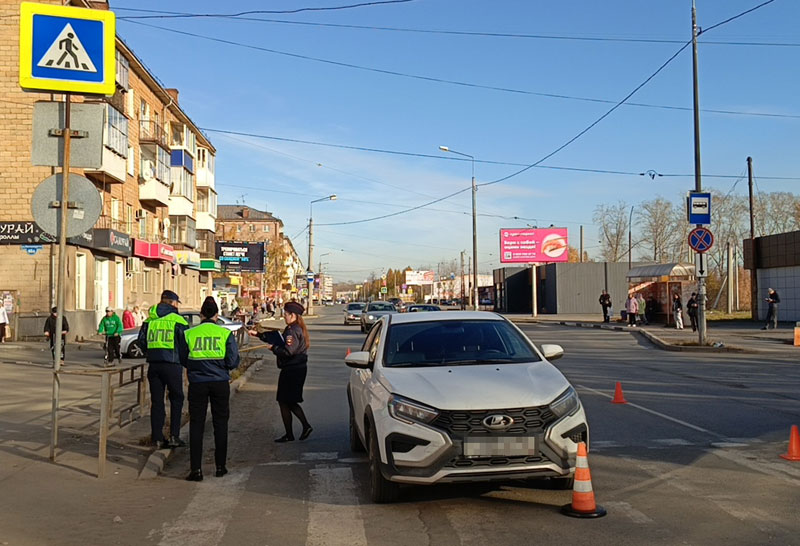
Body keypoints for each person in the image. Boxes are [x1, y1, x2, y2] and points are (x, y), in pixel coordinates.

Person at [181, 297, 240, 482]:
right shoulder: (224, 334)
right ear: (216, 315)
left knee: (197, 425)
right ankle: (220, 467)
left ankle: (196, 470)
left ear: (200, 315)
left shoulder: (190, 334)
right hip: (220, 383)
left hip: (197, 383)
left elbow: (183, 359)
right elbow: (232, 361)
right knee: (220, 424)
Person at [250, 301, 313, 443]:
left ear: (293, 315)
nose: (284, 317)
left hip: (292, 370)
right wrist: (259, 335)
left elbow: (288, 351)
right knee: (287, 401)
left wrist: (273, 349)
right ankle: (295, 431)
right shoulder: (295, 328)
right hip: (295, 369)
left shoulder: (292, 330)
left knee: (285, 401)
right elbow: (278, 340)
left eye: (285, 314)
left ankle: (301, 428)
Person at [138, 290, 189, 449]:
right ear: (173, 303)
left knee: (157, 402)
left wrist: (151, 352)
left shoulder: (150, 320)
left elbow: (141, 341)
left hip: (154, 365)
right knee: (176, 399)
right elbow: (185, 342)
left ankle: (157, 438)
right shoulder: (178, 320)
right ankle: (174, 436)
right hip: (173, 364)